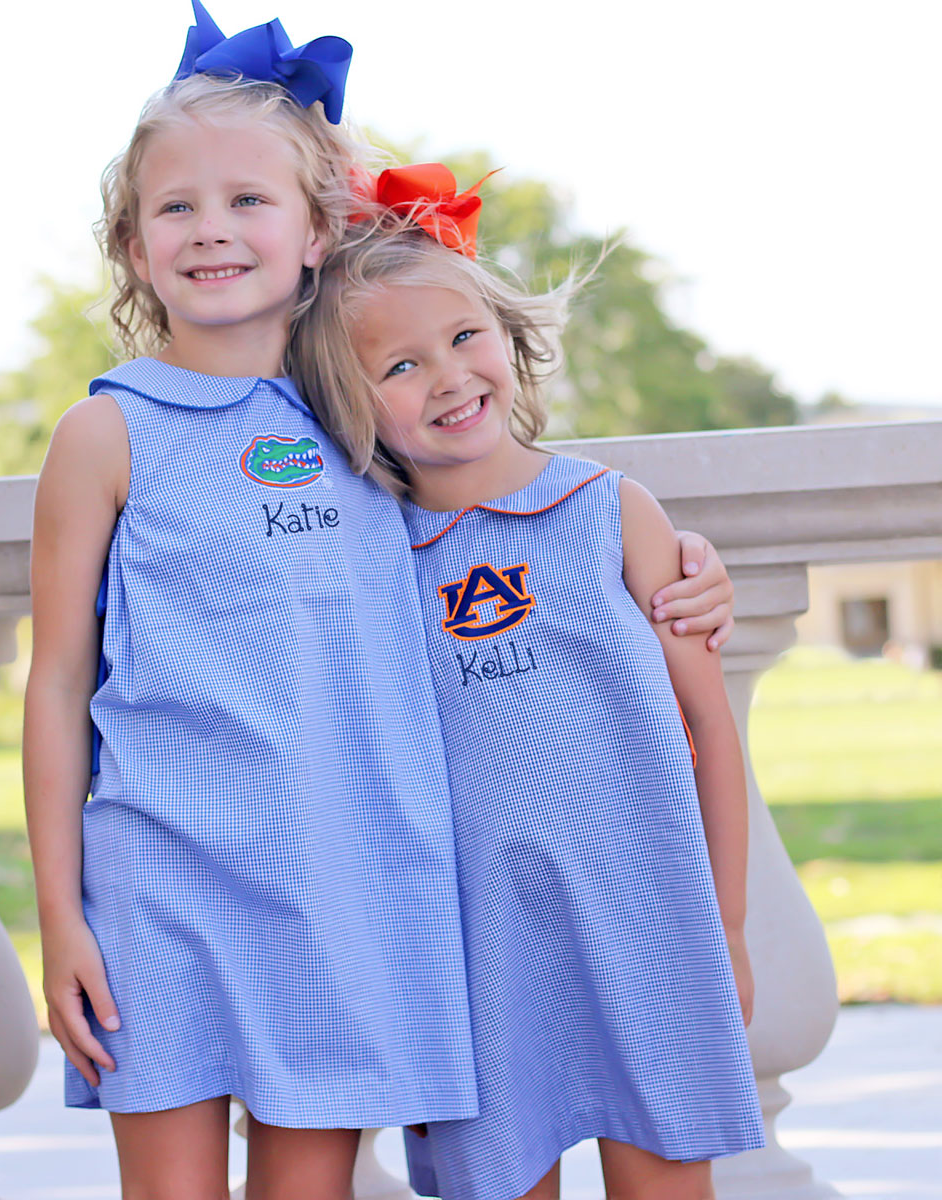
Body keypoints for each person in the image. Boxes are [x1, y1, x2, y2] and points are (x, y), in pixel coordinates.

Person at [23, 3, 738, 1194]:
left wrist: (679, 567)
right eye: (176, 207)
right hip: (157, 889)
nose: (212, 229)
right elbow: (54, 680)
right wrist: (59, 913)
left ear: (317, 231)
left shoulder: (369, 428)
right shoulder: (103, 433)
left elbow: (527, 511)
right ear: (133, 246)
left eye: (249, 199)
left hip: (340, 900)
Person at [289, 175, 765, 1200]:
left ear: (508, 334)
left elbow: (710, 735)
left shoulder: (614, 513)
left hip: (650, 931)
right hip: (478, 961)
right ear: (346, 406)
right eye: (401, 365)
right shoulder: (373, 567)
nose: (450, 377)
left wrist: (724, 929)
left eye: (466, 336)